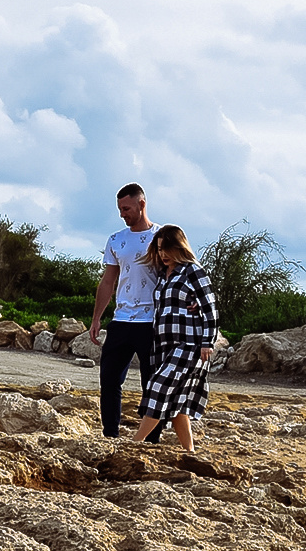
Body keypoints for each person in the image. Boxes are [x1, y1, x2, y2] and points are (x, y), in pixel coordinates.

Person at [128, 224, 217, 451]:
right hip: (164, 345)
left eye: (167, 249)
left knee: (158, 387)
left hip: (190, 345)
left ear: (179, 247)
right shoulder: (162, 274)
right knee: (178, 401)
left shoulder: (193, 271)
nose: (163, 254)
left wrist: (208, 342)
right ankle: (190, 451)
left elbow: (210, 309)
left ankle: (135, 443)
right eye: (159, 249)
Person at [88, 182, 161, 439]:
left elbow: (181, 272)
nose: (123, 214)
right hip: (121, 320)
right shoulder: (116, 240)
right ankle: (110, 434)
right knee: (109, 380)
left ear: (142, 204)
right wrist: (97, 318)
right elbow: (108, 280)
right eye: (120, 209)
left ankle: (152, 439)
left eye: (127, 208)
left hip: (152, 321)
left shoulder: (163, 237)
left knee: (151, 383)